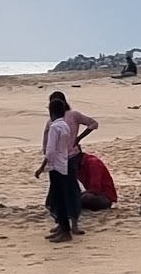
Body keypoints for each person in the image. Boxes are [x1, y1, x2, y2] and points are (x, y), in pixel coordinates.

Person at [45, 91, 98, 234]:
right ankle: (66, 223)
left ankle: (68, 224)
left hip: (66, 158)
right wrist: (78, 138)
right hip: (69, 156)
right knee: (66, 190)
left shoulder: (59, 121)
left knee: (65, 190)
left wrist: (78, 138)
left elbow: (48, 145)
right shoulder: (59, 120)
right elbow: (93, 124)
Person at [35, 97, 79, 242]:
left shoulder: (54, 127)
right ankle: (62, 228)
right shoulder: (65, 125)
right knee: (61, 196)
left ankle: (65, 231)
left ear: (51, 111)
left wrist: (41, 168)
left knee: (58, 198)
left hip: (55, 166)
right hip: (63, 163)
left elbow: (50, 151)